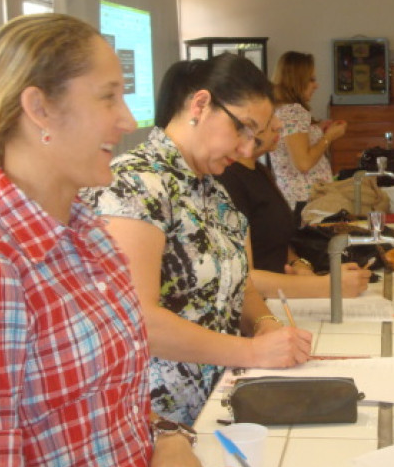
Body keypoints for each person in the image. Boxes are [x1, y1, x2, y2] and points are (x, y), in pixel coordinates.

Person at [0, 14, 270, 467]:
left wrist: (166, 434)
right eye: (108, 97)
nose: (128, 119)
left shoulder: (86, 230)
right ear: (40, 108)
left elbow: (110, 394)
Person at [85, 55, 312, 425]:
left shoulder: (212, 189)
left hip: (215, 406)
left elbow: (237, 280)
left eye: (254, 137)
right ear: (201, 105)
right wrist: (251, 352)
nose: (245, 149)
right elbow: (138, 320)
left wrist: (265, 322)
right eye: (242, 129)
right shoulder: (133, 185)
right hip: (155, 424)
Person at [216, 110, 371, 298]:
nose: (279, 125)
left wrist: (299, 265)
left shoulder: (260, 171)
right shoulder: (227, 180)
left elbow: (275, 239)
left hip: (284, 298)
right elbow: (243, 278)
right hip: (263, 306)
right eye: (269, 117)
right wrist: (326, 286)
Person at [269, 51, 347, 214]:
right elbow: (303, 163)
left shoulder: (281, 109)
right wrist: (328, 137)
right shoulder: (294, 111)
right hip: (308, 203)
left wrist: (317, 129)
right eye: (311, 80)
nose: (316, 85)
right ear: (297, 80)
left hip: (296, 200)